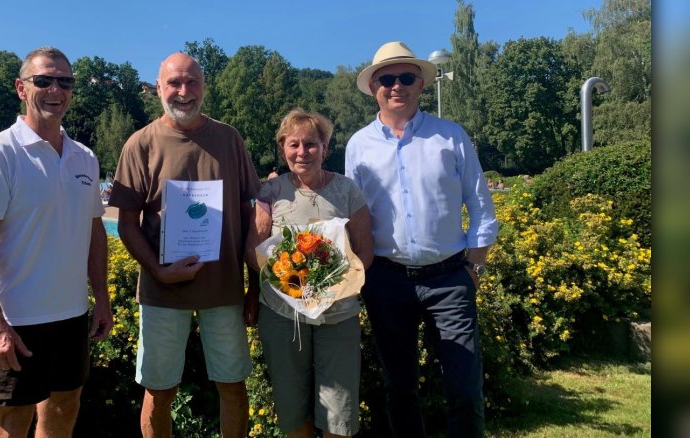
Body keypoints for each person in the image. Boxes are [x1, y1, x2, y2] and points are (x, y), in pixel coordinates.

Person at [344, 42, 498, 437]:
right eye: (388, 79)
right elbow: (354, 217)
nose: (398, 86)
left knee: (463, 387)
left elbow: (480, 204)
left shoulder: (450, 136)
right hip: (386, 280)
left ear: (421, 85)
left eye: (407, 77)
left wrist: (475, 265)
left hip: (449, 280)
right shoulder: (359, 146)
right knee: (400, 388)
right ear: (375, 87)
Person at [108, 52, 261, 438]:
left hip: (224, 286)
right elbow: (127, 224)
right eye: (174, 83)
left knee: (233, 387)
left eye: (191, 82)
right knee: (158, 392)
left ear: (204, 87)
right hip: (162, 291)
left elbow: (251, 214)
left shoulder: (229, 139)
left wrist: (255, 285)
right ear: (158, 88)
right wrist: (158, 270)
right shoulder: (140, 144)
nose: (183, 91)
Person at [0, 46, 114, 437]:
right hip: (16, 320)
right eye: (43, 80)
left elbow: (94, 231)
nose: (55, 89)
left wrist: (101, 298)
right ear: (20, 88)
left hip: (70, 317)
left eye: (65, 81)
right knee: (11, 422)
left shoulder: (84, 158)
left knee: (64, 410)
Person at [245, 109, 373, 438]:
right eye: (294, 145)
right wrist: (293, 285)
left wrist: (332, 285)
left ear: (325, 148)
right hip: (283, 313)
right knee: (290, 403)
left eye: (311, 144)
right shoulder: (269, 194)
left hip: (338, 312)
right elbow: (253, 252)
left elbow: (365, 251)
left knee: (339, 406)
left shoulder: (347, 191)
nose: (302, 152)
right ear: (283, 148)